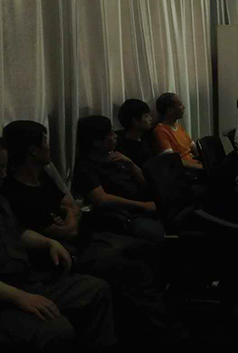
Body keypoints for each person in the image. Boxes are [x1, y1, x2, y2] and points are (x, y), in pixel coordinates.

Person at [2, 121, 186, 348]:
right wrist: (69, 219)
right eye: (45, 142)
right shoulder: (14, 191)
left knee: (147, 250)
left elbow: (71, 206)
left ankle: (152, 322)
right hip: (71, 253)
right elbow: (67, 229)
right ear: (32, 149)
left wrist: (68, 217)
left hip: (87, 236)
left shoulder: (42, 177)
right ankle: (163, 334)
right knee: (132, 268)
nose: (49, 147)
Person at [0, 137, 117, 350]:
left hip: (26, 278)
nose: (4, 174)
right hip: (8, 293)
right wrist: (19, 297)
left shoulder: (2, 199)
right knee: (56, 330)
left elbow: (16, 232)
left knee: (97, 289)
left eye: (5, 167)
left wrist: (48, 242)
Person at [73, 116, 164, 242]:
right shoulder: (85, 166)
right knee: (158, 234)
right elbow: (102, 199)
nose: (115, 136)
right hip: (128, 215)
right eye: (110, 134)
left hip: (148, 203)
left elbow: (147, 184)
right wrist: (143, 206)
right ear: (97, 142)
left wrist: (130, 164)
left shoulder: (115, 156)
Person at [153, 92, 203, 171]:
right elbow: (173, 161)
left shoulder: (178, 127)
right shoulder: (160, 131)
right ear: (170, 111)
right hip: (186, 171)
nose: (183, 107)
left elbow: (194, 148)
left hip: (195, 164)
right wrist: (201, 168)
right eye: (180, 105)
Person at [116, 98, 154, 168]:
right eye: (146, 116)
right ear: (135, 121)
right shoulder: (124, 147)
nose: (150, 118)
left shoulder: (147, 136)